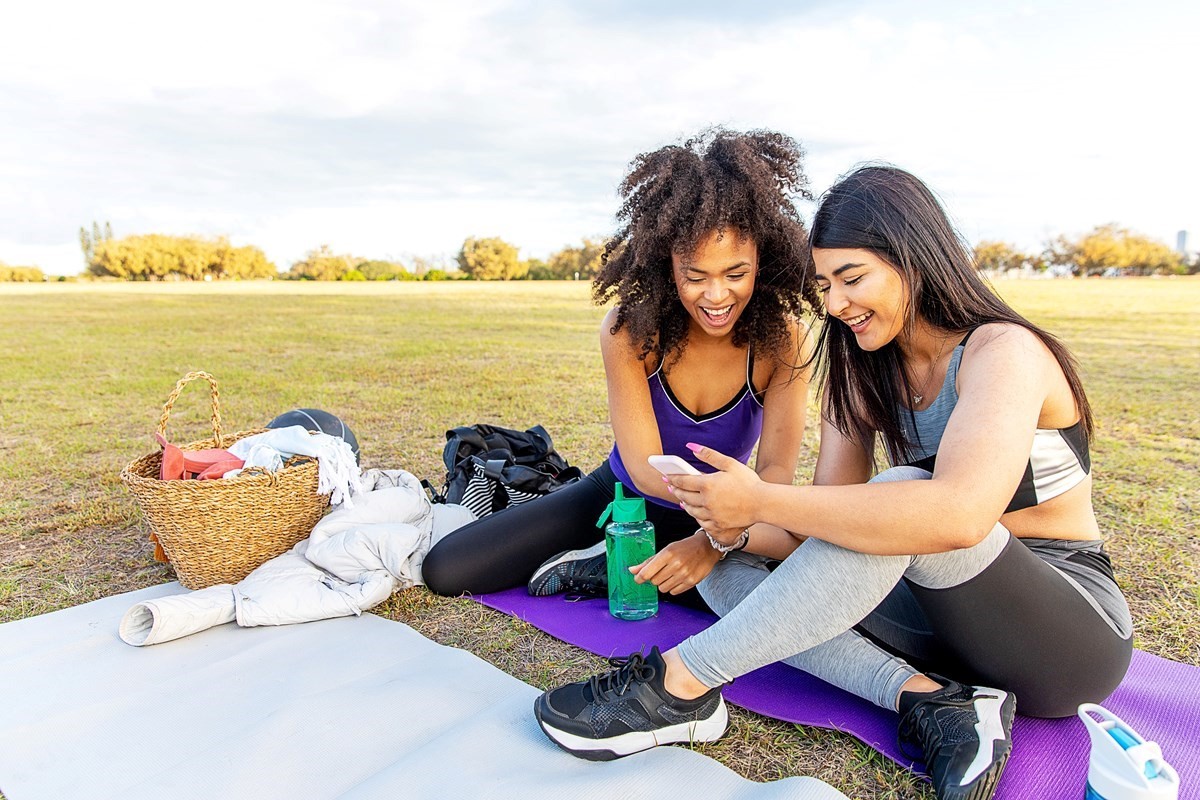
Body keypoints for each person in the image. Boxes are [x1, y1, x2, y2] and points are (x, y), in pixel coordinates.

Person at [533, 165, 1134, 800]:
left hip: (1061, 639)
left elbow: (957, 518)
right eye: (823, 285)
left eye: (852, 279)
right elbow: (809, 528)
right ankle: (934, 700)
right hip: (936, 628)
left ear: (915, 259)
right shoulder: (862, 370)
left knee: (898, 492)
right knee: (731, 573)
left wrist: (761, 497)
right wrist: (723, 536)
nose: (835, 304)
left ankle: (682, 685)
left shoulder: (1002, 351)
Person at [422, 129, 817, 608]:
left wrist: (712, 542)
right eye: (695, 276)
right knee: (447, 569)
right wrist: (718, 528)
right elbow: (644, 468)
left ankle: (610, 566)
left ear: (764, 259)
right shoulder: (630, 331)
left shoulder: (785, 339)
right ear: (665, 265)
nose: (716, 296)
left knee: (792, 593)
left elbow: (775, 471)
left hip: (732, 516)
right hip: (625, 498)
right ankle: (612, 551)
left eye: (736, 274)